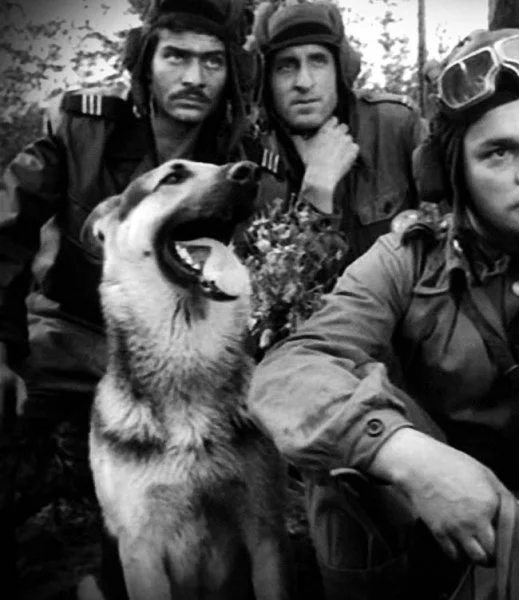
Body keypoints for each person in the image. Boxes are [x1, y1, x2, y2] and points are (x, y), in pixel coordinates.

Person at [247, 28, 519, 600]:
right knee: (341, 446)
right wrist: (406, 455)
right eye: (499, 152)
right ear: (457, 172)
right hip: (446, 541)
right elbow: (288, 373)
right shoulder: (409, 260)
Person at [0, 0, 256, 592]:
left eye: (213, 62)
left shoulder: (239, 160)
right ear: (145, 64)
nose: (194, 77)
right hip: (71, 334)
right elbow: (8, 226)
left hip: (182, 354)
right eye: (176, 57)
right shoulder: (84, 129)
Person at [247, 0, 427, 266]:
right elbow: (283, 285)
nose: (304, 83)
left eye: (318, 61)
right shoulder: (253, 161)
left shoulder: (394, 126)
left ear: (339, 71)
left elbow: (451, 233)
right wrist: (316, 191)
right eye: (286, 66)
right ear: (267, 81)